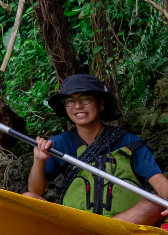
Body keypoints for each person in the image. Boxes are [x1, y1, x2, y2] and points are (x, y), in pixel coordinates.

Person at [27, 74, 168, 224]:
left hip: (123, 227)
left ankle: (106, 229)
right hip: (75, 226)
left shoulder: (129, 142)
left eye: (85, 99)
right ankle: (91, 233)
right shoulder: (59, 143)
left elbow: (160, 183)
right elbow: (36, 191)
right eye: (70, 101)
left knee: (157, 201)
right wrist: (39, 160)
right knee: (28, 198)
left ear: (101, 104)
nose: (77, 106)